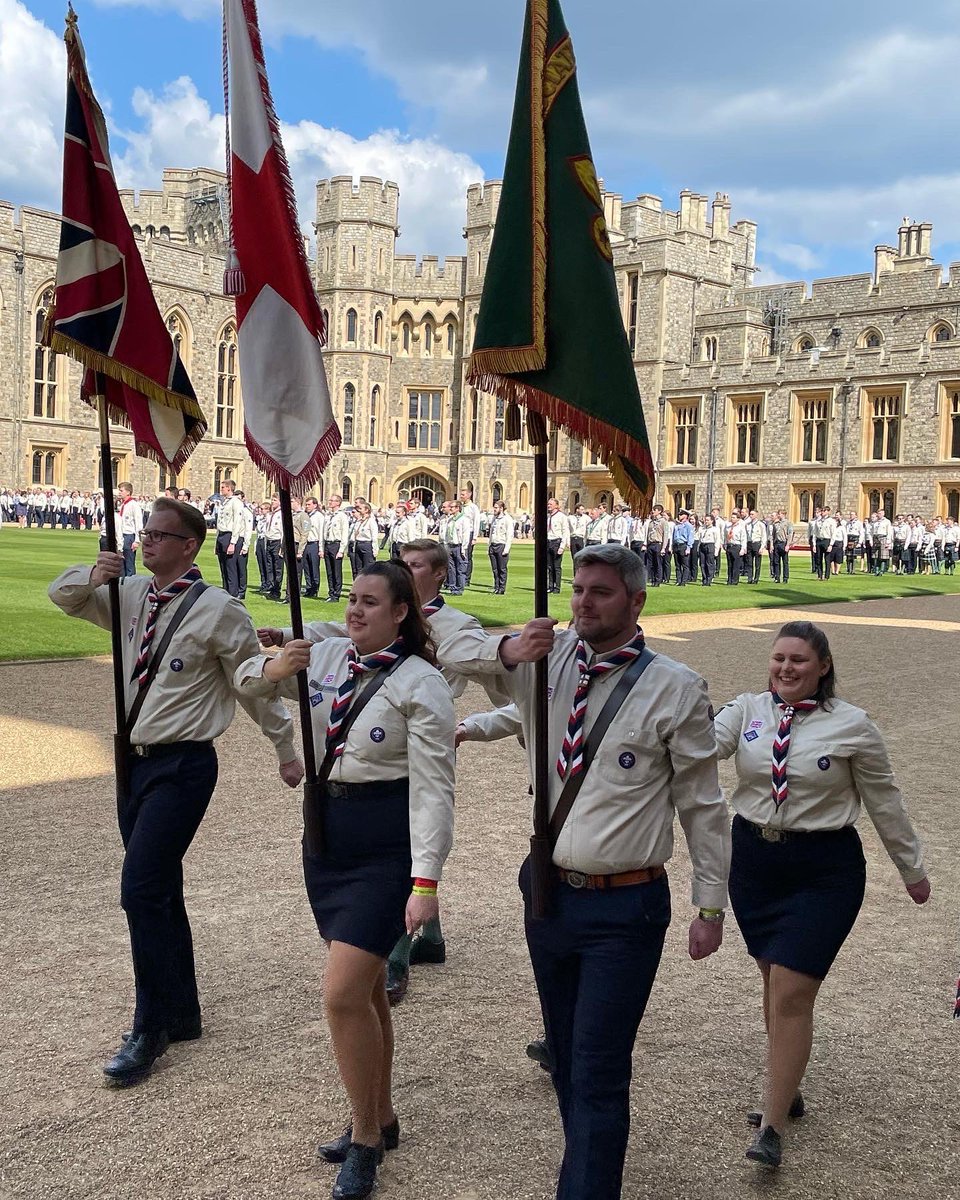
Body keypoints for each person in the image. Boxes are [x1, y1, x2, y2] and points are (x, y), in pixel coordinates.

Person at [455, 544, 730, 1200]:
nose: (582, 601)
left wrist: (711, 904)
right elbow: (443, 651)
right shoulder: (542, 666)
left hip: (624, 905)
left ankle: (583, 1187)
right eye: (577, 589)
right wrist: (506, 654)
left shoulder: (676, 687)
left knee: (599, 1067)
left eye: (600, 592)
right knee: (567, 1057)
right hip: (547, 891)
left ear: (636, 602)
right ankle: (587, 1167)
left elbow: (702, 803)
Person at [48, 498, 302, 1087]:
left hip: (183, 764)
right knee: (160, 887)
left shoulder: (219, 611)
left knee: (139, 889)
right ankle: (183, 1009)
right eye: (144, 533)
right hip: (130, 762)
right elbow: (64, 597)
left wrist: (285, 748)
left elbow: (251, 684)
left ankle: (151, 1022)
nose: (146, 542)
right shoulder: (132, 593)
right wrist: (95, 574)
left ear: (190, 545)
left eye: (160, 535)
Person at [237, 561, 454, 1200]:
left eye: (370, 602)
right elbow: (247, 685)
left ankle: (363, 1138)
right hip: (326, 835)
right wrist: (272, 670)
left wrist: (426, 880)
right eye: (351, 599)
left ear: (400, 613)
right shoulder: (324, 656)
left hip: (384, 845)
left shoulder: (422, 683)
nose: (355, 610)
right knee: (366, 993)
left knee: (339, 994)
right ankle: (382, 1117)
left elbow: (435, 791)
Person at [713, 621, 930, 1170]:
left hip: (823, 869)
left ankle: (772, 1124)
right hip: (755, 862)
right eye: (779, 658)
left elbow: (885, 800)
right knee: (772, 978)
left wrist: (911, 867)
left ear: (824, 666)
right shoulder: (745, 711)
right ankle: (788, 1084)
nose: (786, 669)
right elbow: (702, 747)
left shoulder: (852, 725)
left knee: (790, 991)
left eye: (799, 661)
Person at [257, 538, 508, 1005]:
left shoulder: (450, 632)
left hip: (409, 751)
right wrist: (280, 657)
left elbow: (486, 654)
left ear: (435, 576)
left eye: (415, 566)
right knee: (363, 990)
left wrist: (513, 650)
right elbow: (329, 633)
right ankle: (426, 936)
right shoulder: (340, 650)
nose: (406, 571)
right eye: (355, 598)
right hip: (332, 807)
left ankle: (397, 950)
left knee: (347, 988)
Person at [214, 479, 246, 597]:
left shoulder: (235, 502)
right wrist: (216, 543)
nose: (221, 489)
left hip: (229, 535)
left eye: (223, 487)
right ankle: (225, 591)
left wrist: (233, 542)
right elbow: (220, 522)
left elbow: (237, 523)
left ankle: (232, 593)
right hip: (222, 535)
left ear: (229, 488)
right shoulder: (224, 502)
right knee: (223, 567)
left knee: (230, 567)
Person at [323, 494, 351, 602]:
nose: (330, 502)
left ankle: (336, 594)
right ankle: (331, 592)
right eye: (330, 500)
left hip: (336, 544)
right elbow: (323, 532)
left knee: (336, 571)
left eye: (332, 500)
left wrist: (341, 550)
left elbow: (344, 533)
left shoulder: (342, 516)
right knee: (329, 571)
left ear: (338, 503)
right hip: (328, 543)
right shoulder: (328, 515)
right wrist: (322, 547)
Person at [117, 482, 143, 577]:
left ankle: (131, 583)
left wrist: (137, 540)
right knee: (121, 563)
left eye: (121, 490)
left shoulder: (134, 505)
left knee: (129, 563)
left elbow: (138, 523)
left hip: (129, 536)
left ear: (128, 492)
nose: (119, 493)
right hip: (121, 535)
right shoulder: (122, 505)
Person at [488, 499, 514, 594]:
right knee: (495, 569)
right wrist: (489, 545)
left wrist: (506, 549)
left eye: (496, 508)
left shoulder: (507, 519)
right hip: (493, 545)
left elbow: (509, 535)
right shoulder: (494, 519)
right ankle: (496, 586)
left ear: (501, 508)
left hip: (501, 545)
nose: (494, 509)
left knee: (502, 569)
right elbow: (491, 533)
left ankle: (502, 588)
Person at [546, 497, 569, 593]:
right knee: (549, 566)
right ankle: (550, 586)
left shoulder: (562, 517)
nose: (548, 506)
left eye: (551, 504)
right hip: (549, 542)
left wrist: (562, 546)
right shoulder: (548, 517)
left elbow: (565, 531)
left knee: (557, 566)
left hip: (557, 542)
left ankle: (557, 587)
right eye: (548, 504)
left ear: (556, 505)